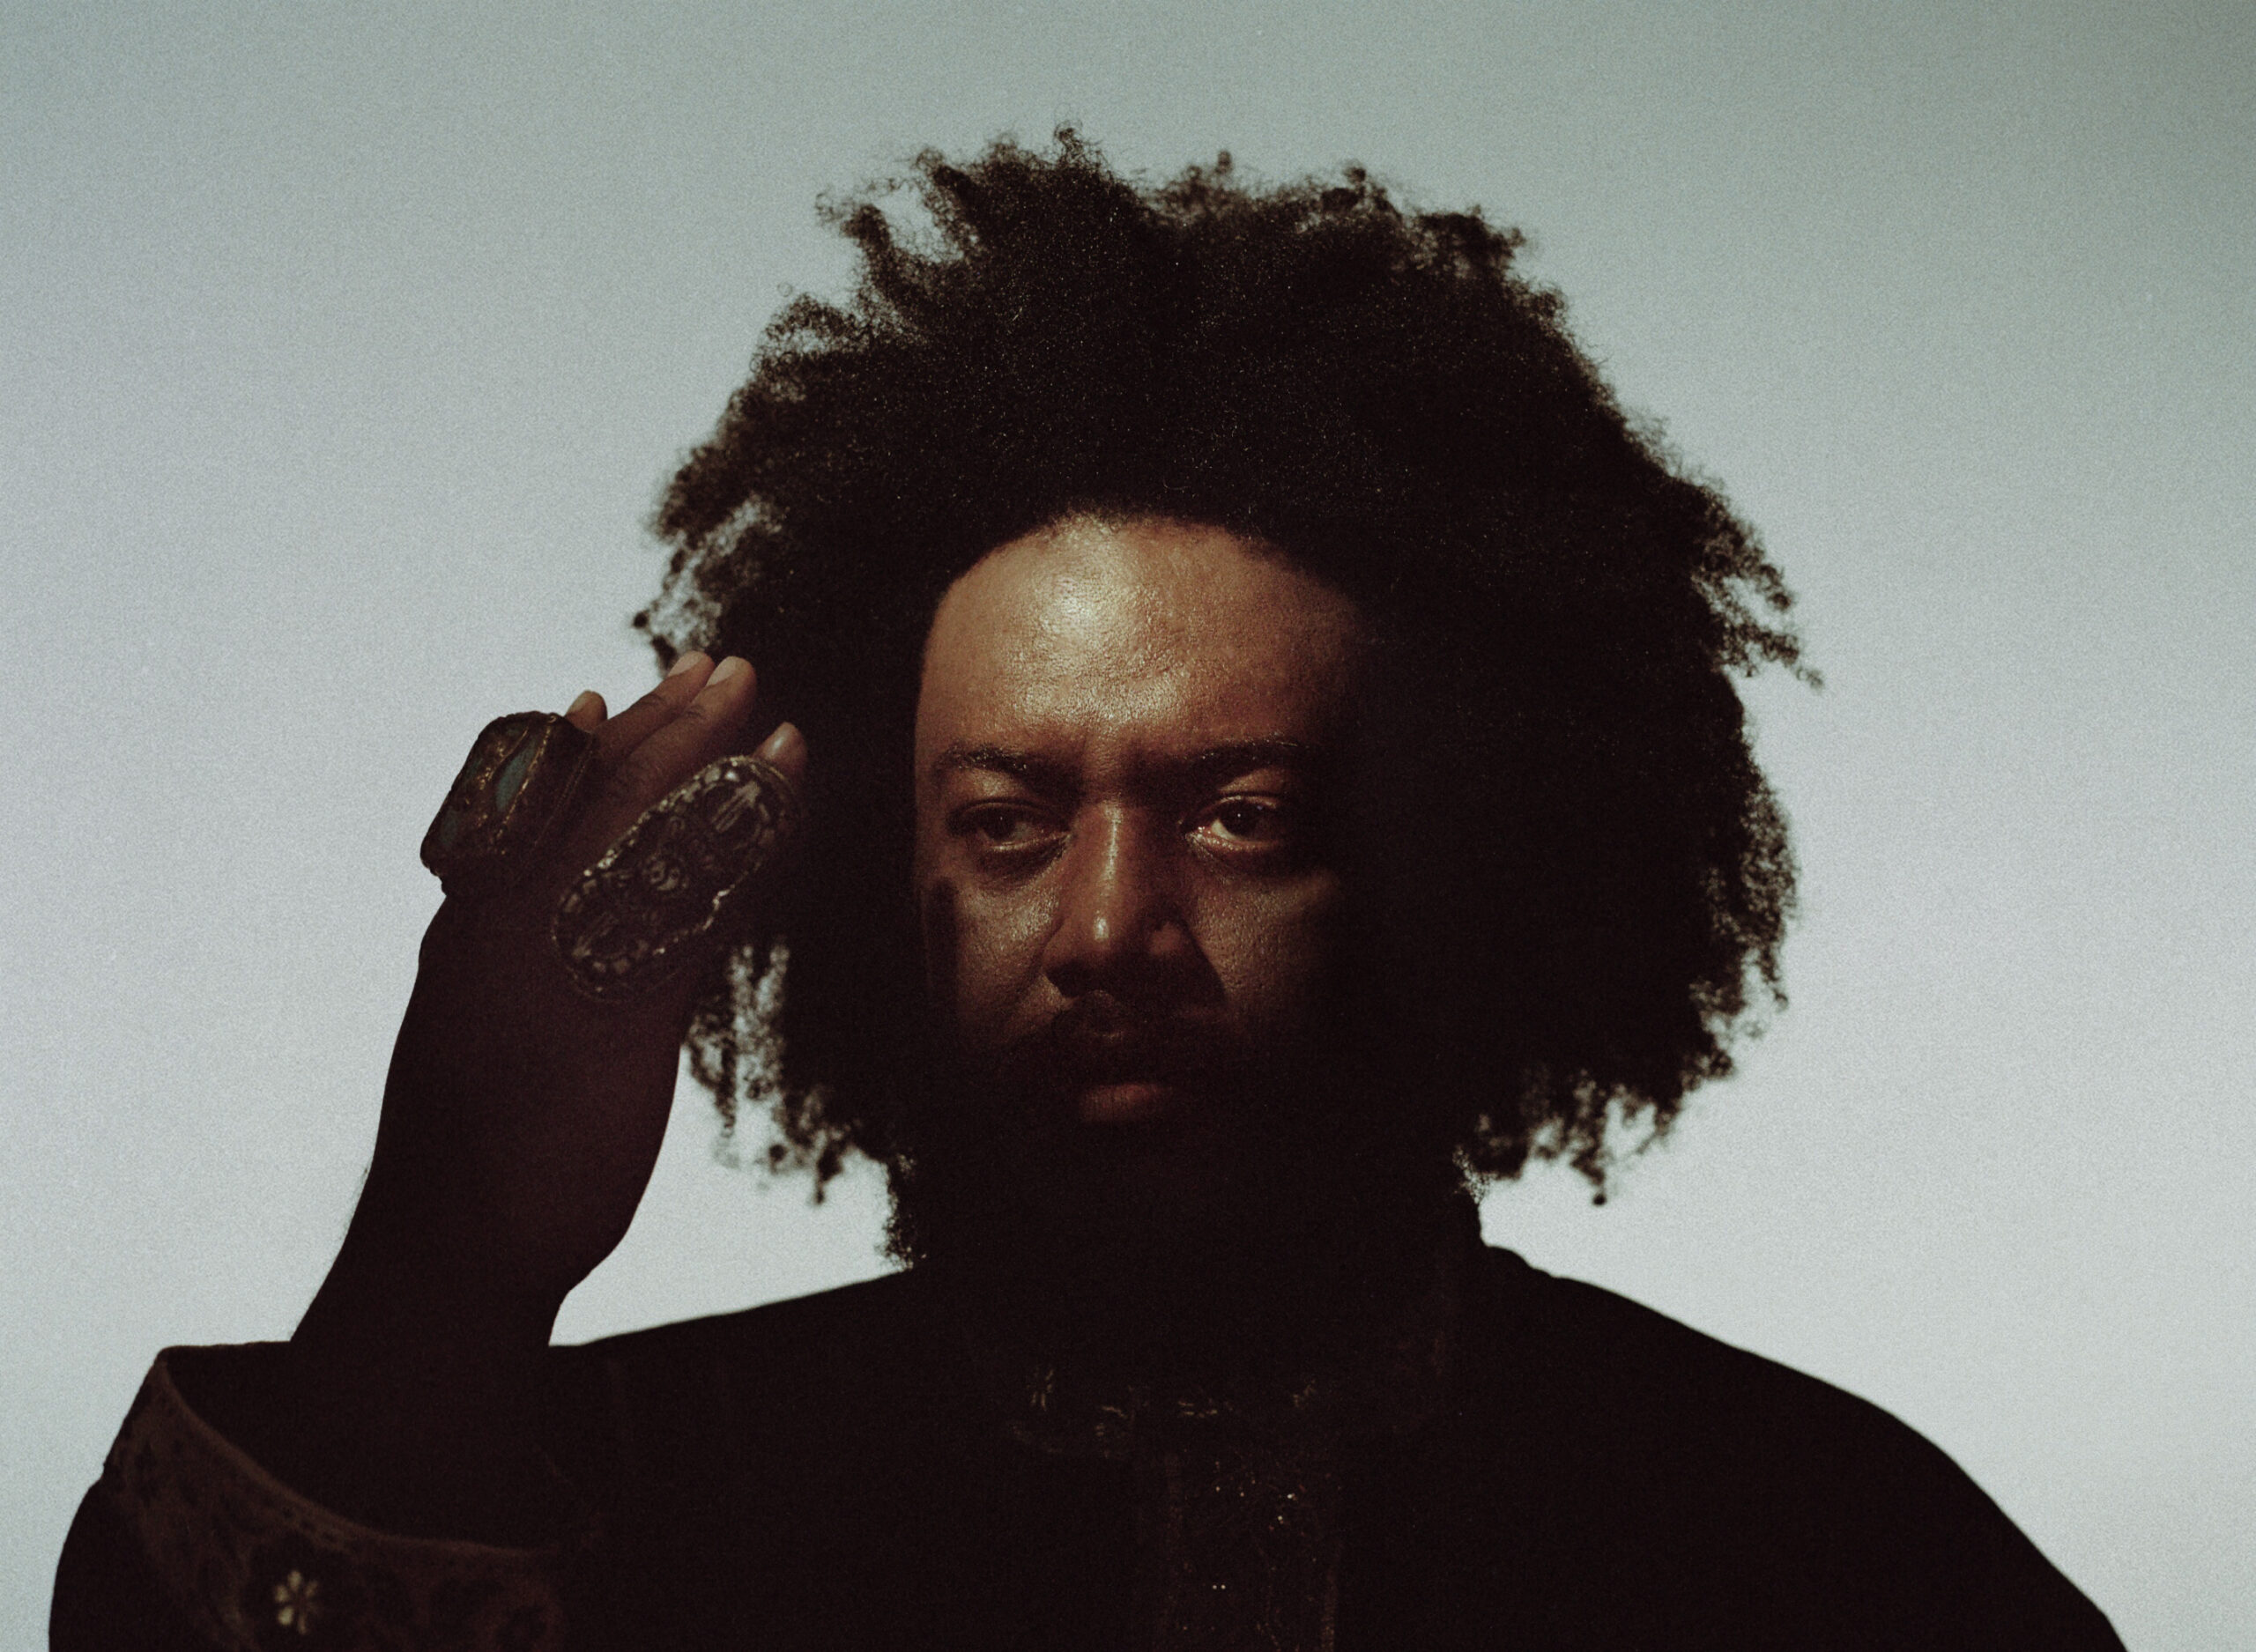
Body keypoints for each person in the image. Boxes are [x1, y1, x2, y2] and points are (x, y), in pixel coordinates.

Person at [52, 133, 2122, 1651]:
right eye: (1007, 819)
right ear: (877, 882)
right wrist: (447, 1249)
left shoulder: (1820, 1544)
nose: (1109, 927)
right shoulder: (616, 1496)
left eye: (1242, 813)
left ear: (1467, 861)